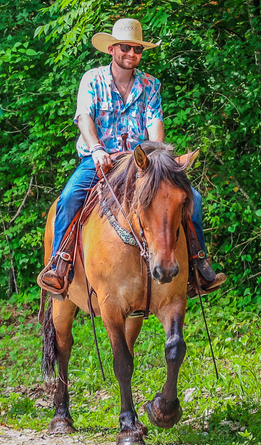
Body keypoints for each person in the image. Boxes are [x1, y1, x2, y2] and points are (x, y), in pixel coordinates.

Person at [37, 18, 226, 298]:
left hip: (140, 162)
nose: (131, 54)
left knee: (192, 198)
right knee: (69, 198)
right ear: (112, 49)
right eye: (125, 48)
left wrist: (159, 156)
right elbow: (84, 116)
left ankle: (198, 264)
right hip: (100, 158)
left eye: (137, 49)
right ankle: (60, 265)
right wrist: (96, 148)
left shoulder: (150, 84)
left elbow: (154, 123)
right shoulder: (93, 79)